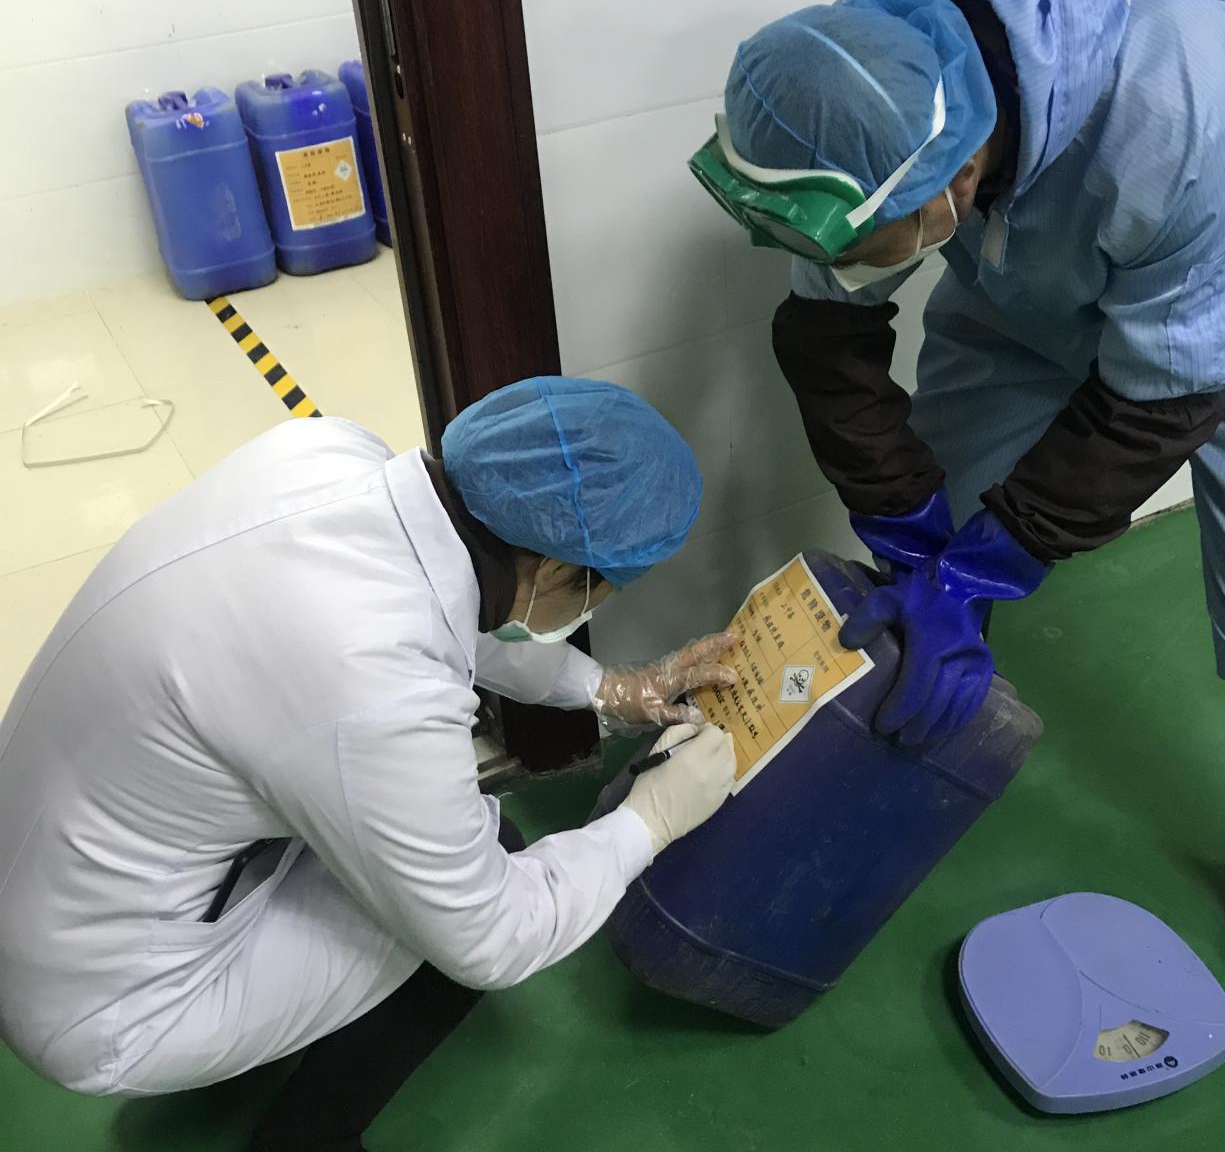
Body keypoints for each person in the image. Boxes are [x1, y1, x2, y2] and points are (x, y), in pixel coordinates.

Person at [0, 376, 739, 1150]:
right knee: (469, 897)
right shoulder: (379, 692)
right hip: (105, 1003)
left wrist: (606, 688)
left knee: (448, 844)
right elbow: (489, 936)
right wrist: (646, 823)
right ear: (556, 573)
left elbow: (447, 611)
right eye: (600, 589)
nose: (593, 606)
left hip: (52, 875)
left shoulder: (327, 453)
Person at [691, 0, 1225, 954]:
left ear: (957, 179)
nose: (847, 265)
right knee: (939, 537)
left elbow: (1161, 398)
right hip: (1021, 303)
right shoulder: (874, 60)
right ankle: (888, 801)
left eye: (867, 248)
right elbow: (828, 330)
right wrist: (912, 526)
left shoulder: (1177, 96)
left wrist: (984, 568)